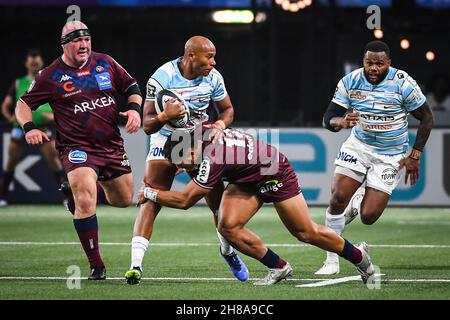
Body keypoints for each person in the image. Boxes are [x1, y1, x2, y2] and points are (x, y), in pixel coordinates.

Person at [136, 124, 376, 286]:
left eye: (185, 162)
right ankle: (278, 267)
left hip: (274, 172)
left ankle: (359, 257)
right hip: (247, 176)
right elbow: (216, 125)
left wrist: (149, 192)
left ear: (192, 148)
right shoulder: (200, 133)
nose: (184, 168)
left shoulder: (211, 158)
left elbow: (185, 201)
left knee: (305, 232)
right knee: (227, 226)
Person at [15, 21, 142, 280]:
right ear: (64, 45)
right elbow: (23, 104)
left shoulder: (105, 62)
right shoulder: (50, 75)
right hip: (77, 148)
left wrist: (134, 110)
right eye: (76, 41)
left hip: (111, 145)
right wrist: (29, 127)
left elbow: (132, 87)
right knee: (86, 200)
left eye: (86, 40)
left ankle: (74, 195)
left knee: (123, 199)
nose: (83, 45)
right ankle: (97, 266)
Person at [125, 36, 248, 285]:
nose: (213, 62)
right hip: (164, 140)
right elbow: (147, 126)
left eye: (213, 57)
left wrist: (221, 125)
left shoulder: (214, 78)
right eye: (209, 57)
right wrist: (163, 115)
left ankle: (227, 250)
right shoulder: (162, 77)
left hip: (198, 141)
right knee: (150, 197)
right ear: (191, 55)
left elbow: (227, 109)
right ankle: (135, 265)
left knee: (217, 201)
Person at [315, 40, 434, 275]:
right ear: (363, 62)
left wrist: (415, 155)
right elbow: (329, 116)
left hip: (391, 155)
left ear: (388, 63)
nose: (373, 68)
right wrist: (339, 122)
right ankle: (331, 260)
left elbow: (427, 118)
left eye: (379, 64)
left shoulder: (403, 84)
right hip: (359, 146)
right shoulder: (351, 81)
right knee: (338, 197)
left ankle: (359, 201)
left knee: (368, 217)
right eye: (369, 63)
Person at [0, 49, 66, 207]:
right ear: (26, 64)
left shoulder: (49, 81)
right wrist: (12, 119)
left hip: (43, 129)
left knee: (54, 162)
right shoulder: (18, 83)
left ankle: (66, 197)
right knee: (11, 163)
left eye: (37, 62)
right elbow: (6, 105)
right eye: (32, 62)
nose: (35, 65)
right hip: (21, 129)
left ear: (42, 63)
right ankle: (2, 197)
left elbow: (61, 106)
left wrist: (52, 117)